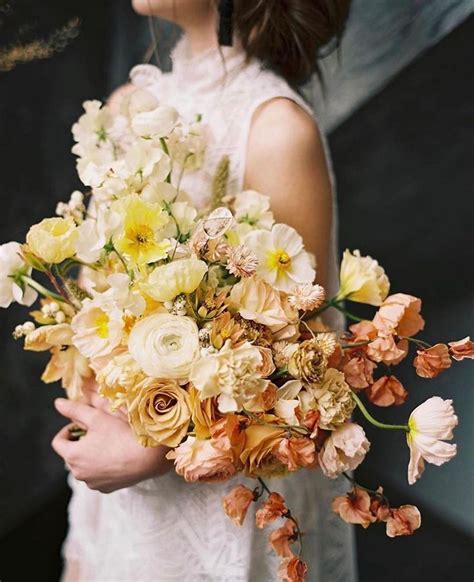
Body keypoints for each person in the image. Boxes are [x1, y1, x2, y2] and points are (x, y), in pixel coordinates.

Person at [51, 1, 356, 580]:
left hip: (221, 498)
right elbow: (97, 293)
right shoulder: (127, 108)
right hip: (120, 495)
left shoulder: (274, 129)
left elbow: (303, 371)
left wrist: (150, 451)